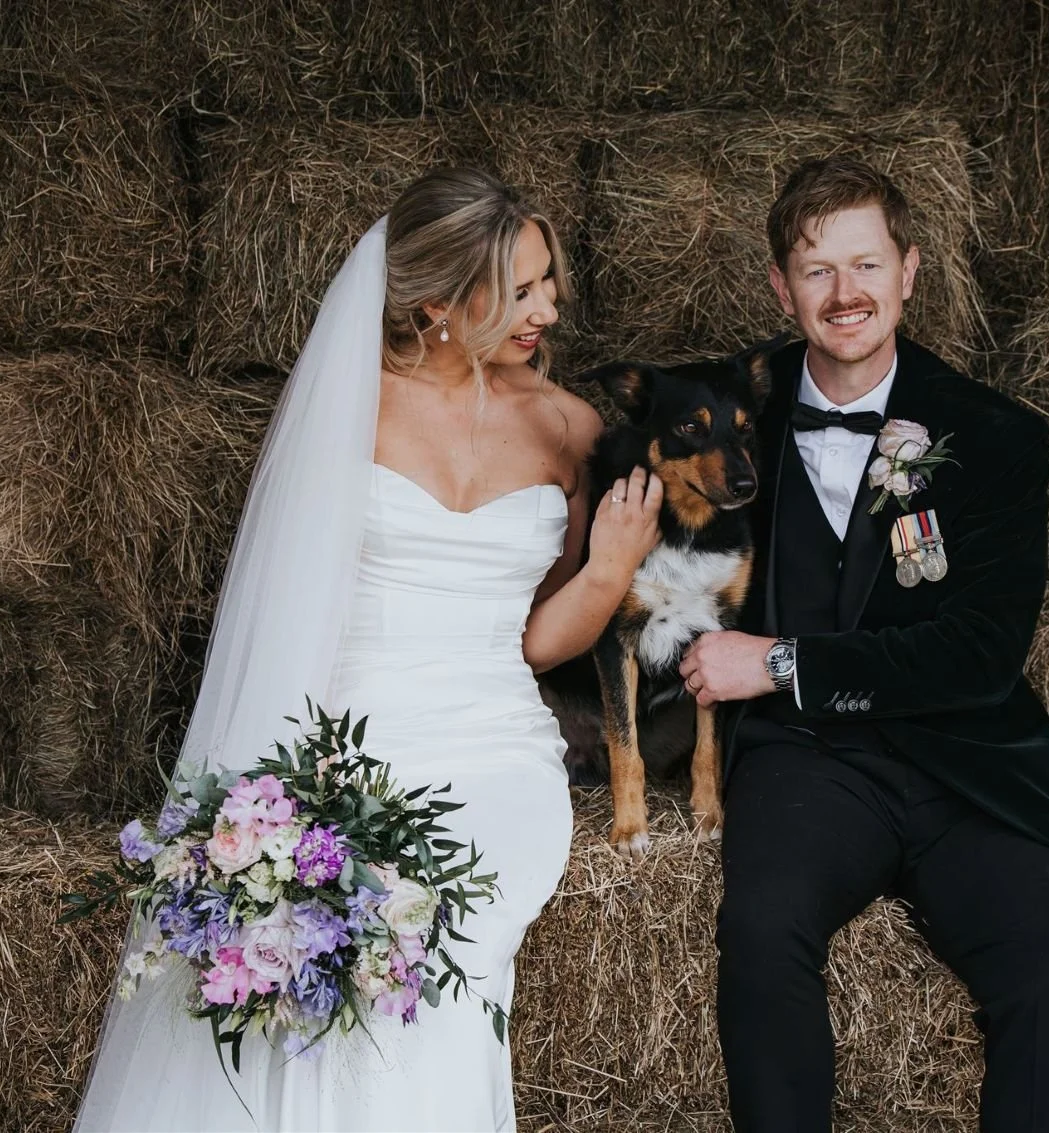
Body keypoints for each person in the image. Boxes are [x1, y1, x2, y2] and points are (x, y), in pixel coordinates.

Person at [74, 168, 662, 1132]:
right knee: (334, 921)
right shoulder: (348, 408)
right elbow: (289, 607)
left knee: (445, 931)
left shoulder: (569, 428)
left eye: (548, 280)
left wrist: (606, 573)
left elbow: (537, 638)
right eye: (522, 289)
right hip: (350, 737)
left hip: (496, 746)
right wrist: (290, 777)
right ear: (438, 303)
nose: (551, 307)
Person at [678, 157, 1049, 1132]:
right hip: (808, 763)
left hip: (967, 761)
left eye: (864, 264)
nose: (844, 293)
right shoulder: (729, 410)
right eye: (816, 270)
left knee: (1040, 975)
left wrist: (777, 659)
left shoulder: (993, 436)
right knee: (758, 929)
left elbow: (979, 652)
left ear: (908, 270)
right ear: (781, 288)